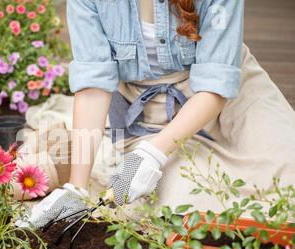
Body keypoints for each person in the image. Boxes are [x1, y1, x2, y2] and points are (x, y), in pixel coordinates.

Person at [24, 0, 295, 229]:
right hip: (150, 115)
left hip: (230, 97)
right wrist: (77, 188)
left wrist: (152, 153)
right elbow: (94, 88)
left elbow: (216, 86)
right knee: (191, 209)